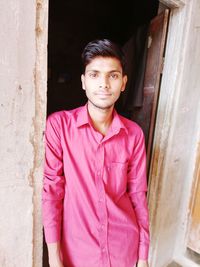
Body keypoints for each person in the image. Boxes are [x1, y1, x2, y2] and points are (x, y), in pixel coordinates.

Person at [42, 39, 150, 267]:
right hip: (78, 253)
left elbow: (138, 196)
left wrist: (143, 257)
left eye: (113, 75)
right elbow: (52, 192)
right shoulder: (59, 126)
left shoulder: (134, 135)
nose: (104, 84)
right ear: (83, 82)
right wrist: (54, 256)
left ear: (123, 83)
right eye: (94, 75)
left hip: (123, 250)